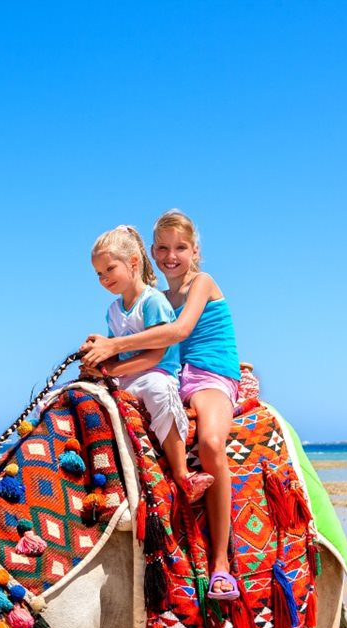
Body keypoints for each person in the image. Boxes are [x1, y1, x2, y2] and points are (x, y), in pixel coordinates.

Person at [81, 210, 241, 600]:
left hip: (208, 376)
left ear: (195, 250)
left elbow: (179, 332)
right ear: (152, 252)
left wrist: (114, 347)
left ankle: (221, 564)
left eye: (180, 248)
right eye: (164, 248)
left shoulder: (202, 283)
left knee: (211, 444)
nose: (172, 256)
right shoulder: (157, 298)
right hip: (177, 373)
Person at [86, 224, 213, 503]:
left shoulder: (152, 302)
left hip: (156, 372)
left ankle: (182, 474)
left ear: (133, 262)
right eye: (99, 274)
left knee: (159, 391)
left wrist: (113, 370)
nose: (104, 278)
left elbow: (156, 354)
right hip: (128, 375)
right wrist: (97, 358)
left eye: (109, 269)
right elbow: (115, 350)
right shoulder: (113, 310)